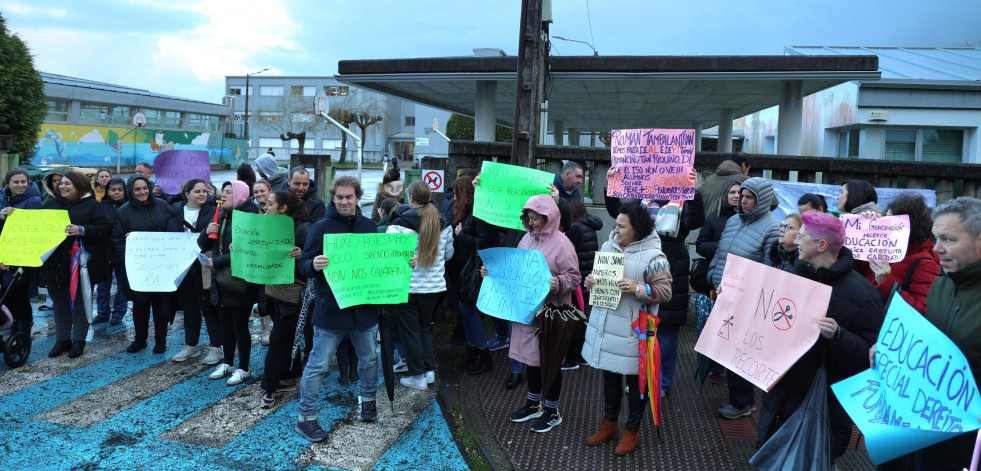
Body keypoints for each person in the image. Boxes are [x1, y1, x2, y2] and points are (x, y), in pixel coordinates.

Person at [757, 212, 884, 461]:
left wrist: (839, 335)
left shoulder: (863, 295)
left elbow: (872, 357)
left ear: (821, 245)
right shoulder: (790, 278)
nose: (796, 241)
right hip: (779, 399)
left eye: (802, 237)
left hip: (822, 408)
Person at [896, 197, 981, 470]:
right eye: (935, 238)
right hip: (928, 431)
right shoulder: (942, 283)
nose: (937, 248)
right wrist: (894, 353)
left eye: (948, 239)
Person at [581, 202, 672, 455]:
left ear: (637, 228)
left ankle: (632, 430)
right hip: (607, 326)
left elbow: (665, 292)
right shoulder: (609, 245)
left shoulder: (655, 256)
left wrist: (638, 288)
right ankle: (609, 424)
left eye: (622, 226)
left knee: (637, 383)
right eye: (616, 224)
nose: (616, 229)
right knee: (609, 376)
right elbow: (600, 280)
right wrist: (591, 281)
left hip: (634, 332)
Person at [295, 176, 381, 442]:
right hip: (330, 309)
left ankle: (367, 401)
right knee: (318, 365)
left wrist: (404, 265)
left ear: (358, 197)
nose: (344, 201)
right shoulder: (320, 228)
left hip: (364, 309)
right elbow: (302, 264)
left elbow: (380, 264)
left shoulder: (370, 226)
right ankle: (305, 417)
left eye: (349, 197)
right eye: (339, 197)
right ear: (333, 197)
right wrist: (312, 266)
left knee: (369, 360)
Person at [604, 168, 704, 397]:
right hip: (640, 269)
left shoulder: (681, 202)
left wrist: (693, 190)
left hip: (671, 269)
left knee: (666, 332)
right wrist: (612, 185)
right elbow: (617, 212)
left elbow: (697, 219)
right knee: (639, 329)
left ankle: (661, 384)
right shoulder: (640, 202)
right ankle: (639, 377)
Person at [489, 194, 580, 433]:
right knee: (531, 359)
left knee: (550, 361)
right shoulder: (525, 239)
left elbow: (574, 277)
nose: (532, 223)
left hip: (550, 315)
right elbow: (516, 270)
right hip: (527, 312)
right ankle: (533, 403)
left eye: (536, 219)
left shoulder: (562, 243)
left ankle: (551, 410)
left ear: (548, 217)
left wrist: (558, 282)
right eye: (528, 219)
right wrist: (493, 272)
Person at [708, 177, 781, 419]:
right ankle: (739, 400)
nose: (743, 200)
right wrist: (712, 276)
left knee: (740, 352)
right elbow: (721, 252)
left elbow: (770, 268)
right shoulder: (732, 220)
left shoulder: (772, 226)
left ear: (761, 201)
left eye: (749, 197)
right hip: (723, 294)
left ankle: (742, 402)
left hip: (747, 300)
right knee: (726, 348)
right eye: (742, 196)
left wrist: (748, 293)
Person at [387, 181, 455, 389]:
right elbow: (449, 255)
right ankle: (429, 371)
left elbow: (390, 256)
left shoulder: (398, 223)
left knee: (410, 332)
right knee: (425, 328)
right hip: (435, 287)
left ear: (411, 198)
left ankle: (417, 376)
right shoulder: (444, 222)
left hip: (409, 286)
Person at [40, 171, 111, 358]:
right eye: (61, 184)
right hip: (55, 264)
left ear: (79, 186)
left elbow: (105, 229)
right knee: (59, 303)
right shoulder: (50, 205)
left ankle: (79, 340)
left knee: (79, 303)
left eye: (67, 184)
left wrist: (83, 230)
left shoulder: (94, 206)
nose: (62, 186)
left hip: (81, 266)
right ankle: (62, 339)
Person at [199, 180, 260, 386]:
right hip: (221, 280)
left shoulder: (249, 218)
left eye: (228, 192)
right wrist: (207, 231)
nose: (222, 195)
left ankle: (244, 367)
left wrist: (215, 262)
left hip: (240, 281)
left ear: (241, 195)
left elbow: (243, 252)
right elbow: (203, 245)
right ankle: (228, 363)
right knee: (225, 324)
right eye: (222, 192)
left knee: (239, 325)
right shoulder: (222, 215)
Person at [112, 175, 181, 354]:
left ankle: (160, 340)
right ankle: (140, 339)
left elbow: (175, 233)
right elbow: (116, 240)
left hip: (161, 265)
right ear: (131, 191)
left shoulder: (164, 206)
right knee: (140, 305)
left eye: (145, 188)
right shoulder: (123, 212)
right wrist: (129, 252)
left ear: (149, 188)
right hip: (138, 268)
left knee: (161, 305)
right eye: (137, 189)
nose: (142, 192)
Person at [259, 190, 311, 409]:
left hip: (292, 295)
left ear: (283, 209)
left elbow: (312, 264)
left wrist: (301, 256)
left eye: (270, 204)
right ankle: (289, 377)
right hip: (272, 291)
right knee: (287, 337)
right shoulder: (267, 226)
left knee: (278, 339)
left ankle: (269, 387)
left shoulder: (303, 230)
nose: (265, 207)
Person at [168, 179, 223, 364]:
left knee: (208, 307)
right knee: (189, 308)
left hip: (204, 264)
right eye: (197, 191)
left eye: (204, 191)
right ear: (187, 194)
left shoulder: (215, 211)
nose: (202, 194)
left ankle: (216, 347)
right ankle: (191, 346)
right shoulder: (174, 211)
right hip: (183, 265)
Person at [449, 176, 499, 376]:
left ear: (463, 194)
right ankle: (473, 351)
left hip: (477, 268)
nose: (453, 197)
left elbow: (488, 242)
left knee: (470, 310)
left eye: (455, 193)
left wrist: (462, 236)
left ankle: (482, 353)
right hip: (468, 267)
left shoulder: (479, 213)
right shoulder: (469, 212)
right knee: (466, 309)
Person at [695, 178, 742, 384]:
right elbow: (700, 245)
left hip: (740, 279)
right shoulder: (712, 218)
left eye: (740, 193)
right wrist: (723, 247)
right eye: (732, 192)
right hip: (717, 279)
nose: (736, 196)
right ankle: (712, 364)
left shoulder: (748, 219)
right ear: (725, 194)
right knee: (715, 323)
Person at [866, 193, 941, 315]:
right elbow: (855, 272)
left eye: (893, 222)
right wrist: (865, 229)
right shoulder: (883, 248)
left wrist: (887, 282)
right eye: (886, 219)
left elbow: (923, 312)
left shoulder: (926, 263)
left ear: (911, 226)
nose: (886, 225)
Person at [0, 168, 44, 338]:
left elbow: (28, 233)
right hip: (2, 254)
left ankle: (23, 328)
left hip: (21, 255)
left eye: (23, 182)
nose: (20, 185)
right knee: (6, 294)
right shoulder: (2, 197)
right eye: (16, 182)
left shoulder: (34, 201)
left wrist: (10, 257)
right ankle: (12, 325)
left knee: (19, 294)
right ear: (7, 183)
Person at [560, 201, 603, 370]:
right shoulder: (589, 227)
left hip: (577, 283)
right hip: (586, 280)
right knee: (580, 319)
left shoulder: (575, 229)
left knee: (573, 321)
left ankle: (571, 359)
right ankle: (582, 356)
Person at [92, 177, 129, 325]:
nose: (117, 192)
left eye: (120, 190)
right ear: (108, 191)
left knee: (122, 283)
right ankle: (102, 312)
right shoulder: (100, 206)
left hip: (122, 250)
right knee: (102, 284)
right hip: (103, 250)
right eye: (113, 189)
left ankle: (119, 312)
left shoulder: (129, 206)